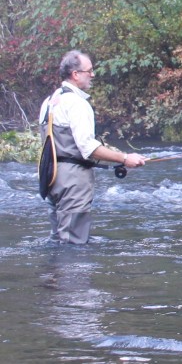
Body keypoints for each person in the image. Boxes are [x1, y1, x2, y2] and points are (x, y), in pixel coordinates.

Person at [38, 50, 146, 244]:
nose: (93, 75)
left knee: (58, 240)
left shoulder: (49, 101)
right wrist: (124, 158)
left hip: (51, 176)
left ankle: (53, 275)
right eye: (89, 71)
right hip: (73, 180)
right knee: (74, 242)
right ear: (75, 74)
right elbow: (88, 148)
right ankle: (70, 275)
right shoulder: (77, 103)